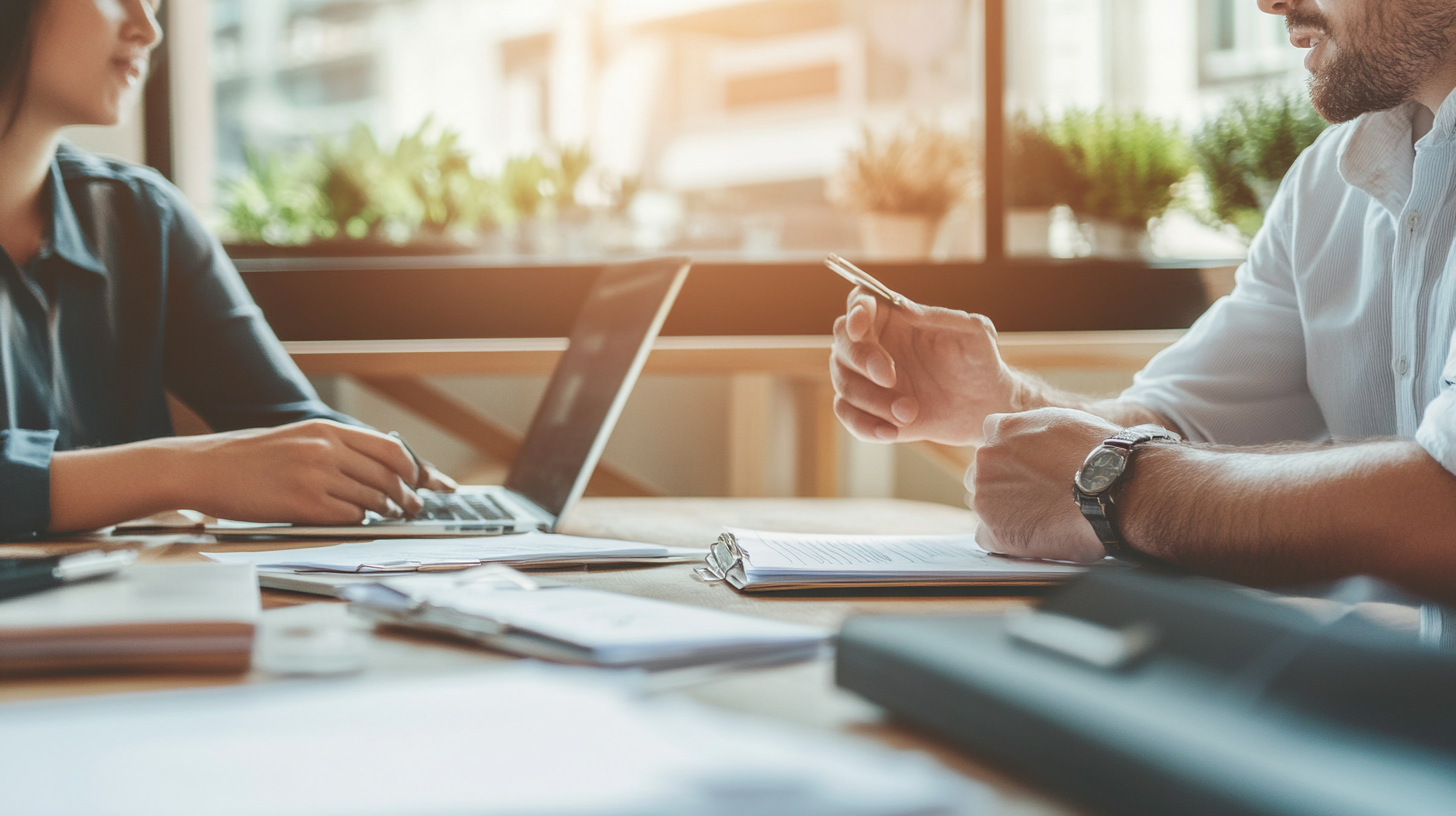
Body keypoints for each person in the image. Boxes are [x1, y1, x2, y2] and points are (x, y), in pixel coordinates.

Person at [831, 0, 1456, 601]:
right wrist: (1008, 404)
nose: (1269, 4)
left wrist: (1116, 488)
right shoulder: (1332, 182)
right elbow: (1189, 421)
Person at [0, 0, 455, 539]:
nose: (148, 29)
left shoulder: (144, 218)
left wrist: (400, 482)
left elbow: (285, 424)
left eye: (152, 2)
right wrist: (185, 469)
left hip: (125, 611)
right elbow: (218, 462)